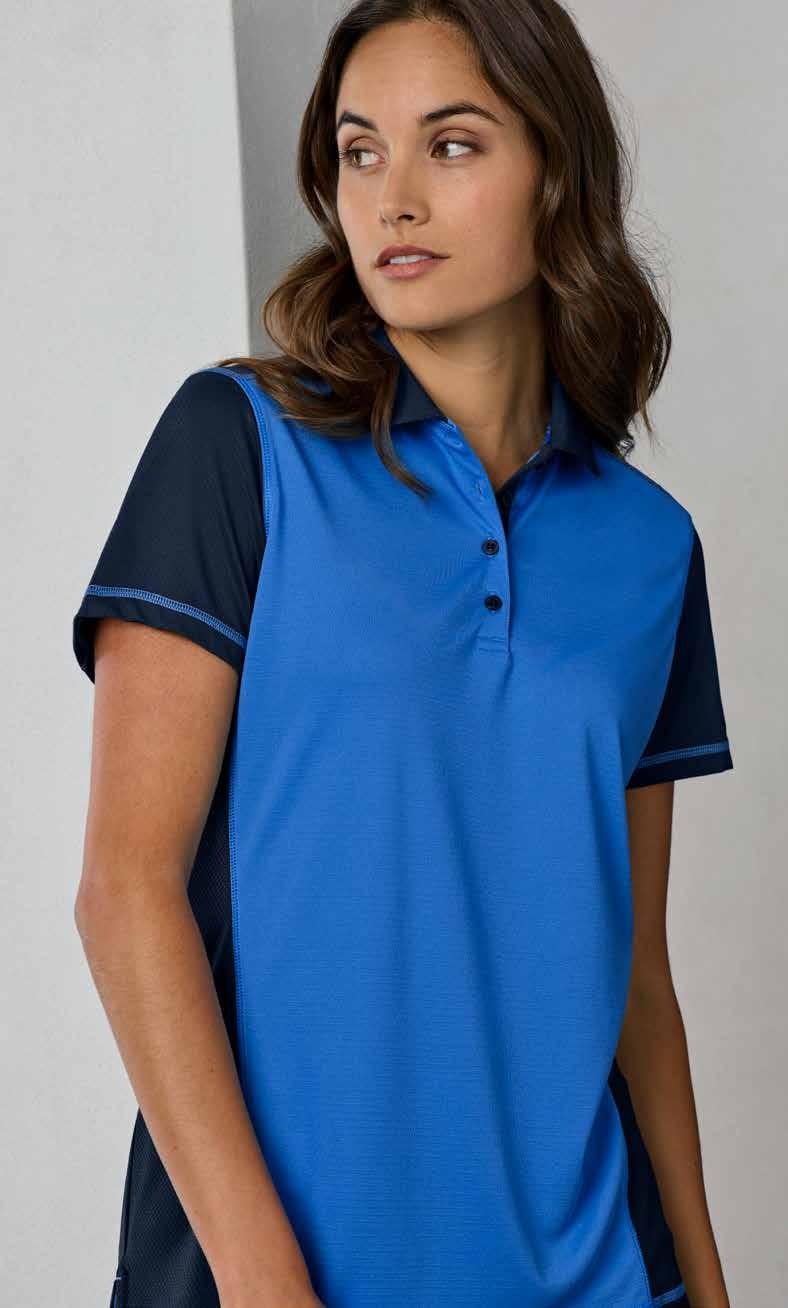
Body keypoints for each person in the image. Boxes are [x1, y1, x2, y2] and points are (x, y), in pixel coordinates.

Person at [72, 3, 735, 1307]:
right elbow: (126, 893)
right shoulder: (237, 445)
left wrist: (709, 1289)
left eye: (453, 144)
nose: (394, 199)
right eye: (360, 150)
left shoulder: (650, 548)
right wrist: (266, 1283)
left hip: (593, 1276)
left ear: (558, 175)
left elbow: (634, 981)